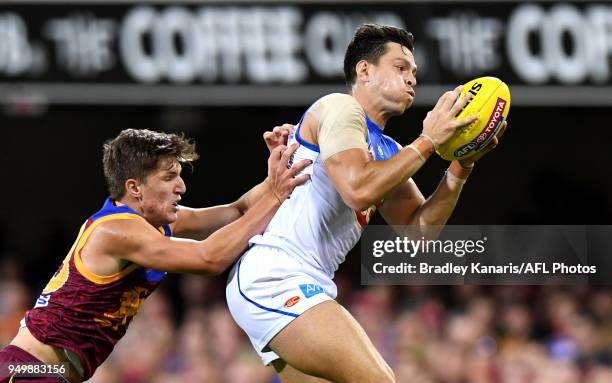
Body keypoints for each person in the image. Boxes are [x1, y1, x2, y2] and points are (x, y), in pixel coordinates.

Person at [226, 23, 507, 383]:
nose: (411, 80)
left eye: (414, 73)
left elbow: (419, 231)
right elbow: (356, 190)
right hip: (277, 274)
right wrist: (427, 141)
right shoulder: (340, 108)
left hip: (302, 279)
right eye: (400, 68)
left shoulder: (386, 151)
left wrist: (461, 165)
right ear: (364, 71)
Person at [0, 128, 311, 383]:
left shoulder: (152, 224)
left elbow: (236, 211)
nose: (181, 186)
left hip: (49, 373)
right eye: (168, 177)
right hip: (28, 370)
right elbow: (209, 258)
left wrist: (275, 177)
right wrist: (276, 196)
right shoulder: (117, 231)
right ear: (135, 187)